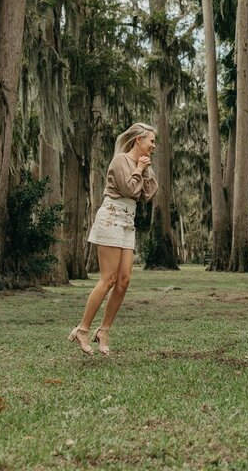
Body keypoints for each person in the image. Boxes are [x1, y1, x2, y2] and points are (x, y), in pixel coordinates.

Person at [69, 122, 158, 356]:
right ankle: (83, 329)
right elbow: (129, 189)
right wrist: (139, 168)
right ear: (138, 140)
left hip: (128, 221)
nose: (154, 146)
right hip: (111, 217)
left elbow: (147, 195)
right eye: (151, 141)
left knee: (124, 280)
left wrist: (145, 170)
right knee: (108, 279)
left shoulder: (143, 164)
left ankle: (104, 330)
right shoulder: (120, 160)